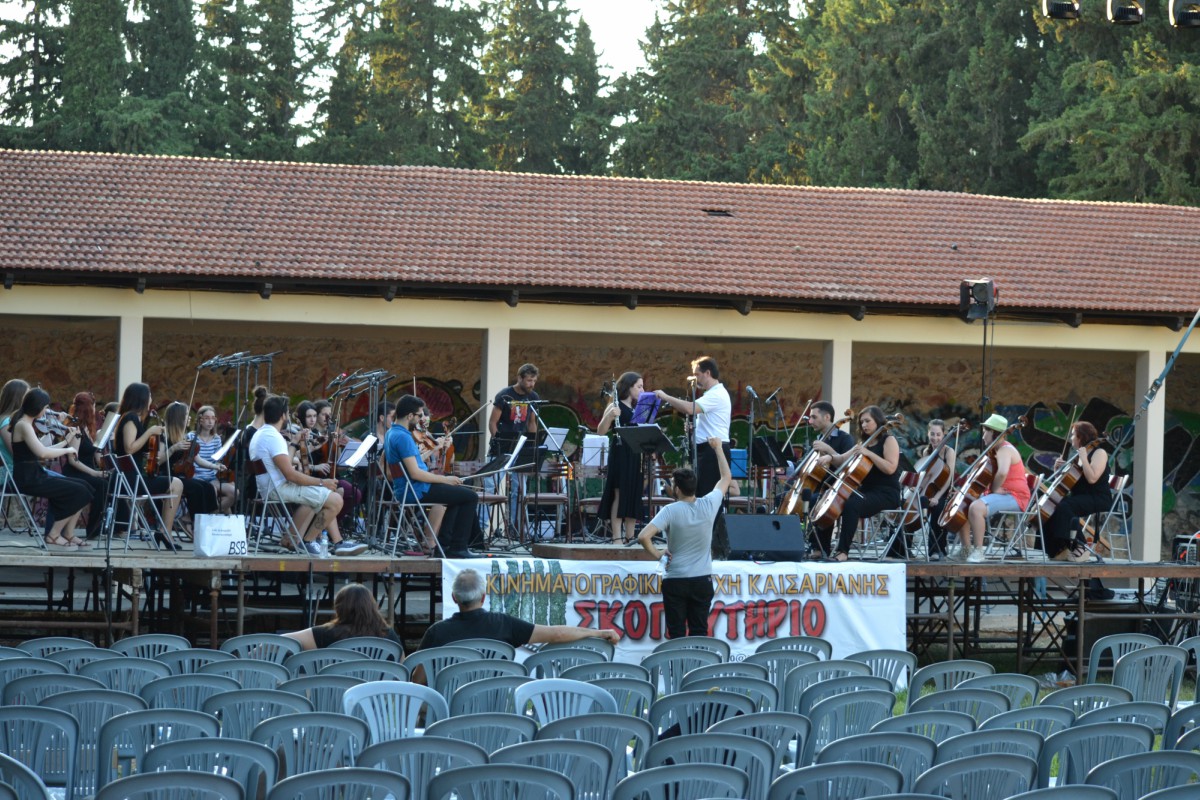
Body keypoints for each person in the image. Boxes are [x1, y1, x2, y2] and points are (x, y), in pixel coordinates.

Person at [248, 394, 367, 556]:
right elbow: (290, 474)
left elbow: (287, 463)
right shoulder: (272, 437)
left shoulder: (263, 433)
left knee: (322, 496)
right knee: (335, 499)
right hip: (278, 488)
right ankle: (308, 541)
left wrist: (295, 442)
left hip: (272, 486)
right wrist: (322, 482)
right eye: (288, 413)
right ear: (283, 415)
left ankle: (324, 541)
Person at [637, 437, 731, 639]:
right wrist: (718, 449)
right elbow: (726, 478)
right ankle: (697, 669)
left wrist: (659, 555)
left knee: (677, 633)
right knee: (699, 631)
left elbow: (643, 536)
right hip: (702, 579)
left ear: (677, 489)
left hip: (676, 579)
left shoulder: (670, 510)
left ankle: (677, 670)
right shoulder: (709, 503)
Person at [419, 567, 620, 650]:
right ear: (483, 596)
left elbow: (418, 679)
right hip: (495, 708)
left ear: (454, 598)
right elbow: (557, 633)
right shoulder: (504, 624)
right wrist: (600, 632)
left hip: (450, 713)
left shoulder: (437, 633)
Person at [654, 357, 732, 555]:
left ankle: (707, 544)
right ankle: (702, 543)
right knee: (702, 495)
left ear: (708, 373)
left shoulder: (716, 394)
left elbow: (689, 408)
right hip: (706, 450)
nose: (695, 379)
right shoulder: (711, 395)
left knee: (708, 496)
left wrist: (665, 396)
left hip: (714, 450)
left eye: (697, 374)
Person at [385, 394, 479, 558]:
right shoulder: (404, 437)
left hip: (408, 488)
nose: (421, 419)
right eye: (419, 415)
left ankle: (444, 546)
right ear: (410, 416)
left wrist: (434, 448)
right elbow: (415, 473)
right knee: (470, 497)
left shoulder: (392, 432)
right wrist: (446, 479)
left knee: (458, 497)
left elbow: (411, 464)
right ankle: (458, 548)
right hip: (416, 489)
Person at [812, 405, 901, 563]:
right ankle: (822, 548)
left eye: (868, 421)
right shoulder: (863, 443)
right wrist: (830, 458)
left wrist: (869, 453)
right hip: (866, 491)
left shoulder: (889, 440)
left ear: (878, 421)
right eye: (862, 422)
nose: (864, 425)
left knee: (852, 503)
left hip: (887, 493)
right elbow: (841, 458)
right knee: (833, 500)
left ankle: (843, 552)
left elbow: (890, 468)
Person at [8, 388, 94, 549]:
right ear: (37, 406)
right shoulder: (23, 425)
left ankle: (69, 534)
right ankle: (53, 535)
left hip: (35, 473)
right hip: (29, 478)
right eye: (45, 407)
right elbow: (42, 453)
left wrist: (67, 441)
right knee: (78, 491)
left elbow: (41, 448)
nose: (47, 411)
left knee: (85, 486)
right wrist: (68, 449)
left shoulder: (26, 423)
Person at [113, 382, 184, 550]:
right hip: (131, 480)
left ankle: (164, 531)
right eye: (149, 394)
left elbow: (138, 448)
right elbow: (129, 448)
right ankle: (164, 531)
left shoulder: (135, 418)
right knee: (177, 484)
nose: (151, 398)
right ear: (142, 398)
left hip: (131, 477)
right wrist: (149, 432)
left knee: (174, 483)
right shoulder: (130, 418)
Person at [957, 413, 1030, 564]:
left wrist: (995, 488)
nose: (983, 436)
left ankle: (979, 552)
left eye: (986, 432)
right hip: (1003, 495)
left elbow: (1002, 472)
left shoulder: (1005, 449)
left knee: (976, 508)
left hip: (1015, 496)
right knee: (963, 504)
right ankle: (966, 549)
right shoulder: (994, 450)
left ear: (994, 433)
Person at [1044, 421, 1111, 562]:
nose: (1071, 438)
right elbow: (1069, 484)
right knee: (1052, 505)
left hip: (1097, 498)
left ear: (1081, 437)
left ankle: (1081, 549)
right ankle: (1058, 550)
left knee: (1064, 506)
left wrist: (1084, 459)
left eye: (1073, 435)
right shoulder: (1079, 456)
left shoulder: (1099, 452)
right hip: (1080, 498)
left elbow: (1092, 478)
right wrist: (1057, 472)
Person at [485, 364, 540, 532]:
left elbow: (531, 423)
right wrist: (498, 442)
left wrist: (533, 445)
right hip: (502, 447)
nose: (532, 384)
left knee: (519, 490)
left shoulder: (533, 396)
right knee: (489, 487)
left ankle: (515, 529)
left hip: (521, 447)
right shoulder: (505, 395)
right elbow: (493, 422)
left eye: (534, 381)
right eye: (529, 380)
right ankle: (481, 528)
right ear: (520, 378)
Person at [598, 371, 646, 544]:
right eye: (639, 386)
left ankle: (630, 537)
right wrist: (610, 416)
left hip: (636, 454)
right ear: (629, 387)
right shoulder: (615, 405)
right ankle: (617, 537)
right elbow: (600, 431)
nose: (642, 389)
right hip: (620, 453)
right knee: (620, 493)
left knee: (634, 494)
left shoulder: (638, 408)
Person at [281, 583, 401, 650]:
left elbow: (277, 642)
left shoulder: (325, 633)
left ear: (339, 607)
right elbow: (402, 669)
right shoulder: (388, 634)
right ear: (373, 607)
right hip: (376, 694)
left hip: (334, 694)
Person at [160, 401, 220, 529]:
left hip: (181, 476)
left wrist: (215, 466)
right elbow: (158, 460)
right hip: (168, 475)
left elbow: (197, 459)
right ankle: (194, 523)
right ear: (179, 417)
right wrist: (173, 449)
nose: (190, 417)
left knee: (208, 487)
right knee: (197, 488)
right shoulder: (164, 436)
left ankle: (204, 524)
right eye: (187, 414)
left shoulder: (185, 436)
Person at [62, 391, 110, 540]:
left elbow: (95, 454)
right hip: (75, 472)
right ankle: (93, 530)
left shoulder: (89, 429)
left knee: (112, 481)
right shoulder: (76, 428)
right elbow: (73, 460)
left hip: (87, 471)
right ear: (90, 408)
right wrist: (95, 473)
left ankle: (109, 527)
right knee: (101, 485)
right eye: (94, 406)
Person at [920, 419, 957, 561]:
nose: (935, 438)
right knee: (911, 504)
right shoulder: (926, 451)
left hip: (945, 491)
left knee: (938, 508)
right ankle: (903, 548)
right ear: (928, 433)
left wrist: (938, 496)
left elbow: (949, 479)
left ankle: (936, 549)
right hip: (930, 490)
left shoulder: (949, 452)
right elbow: (925, 476)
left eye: (938, 434)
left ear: (944, 435)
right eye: (932, 434)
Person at [190, 405, 236, 513]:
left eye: (213, 418)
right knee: (212, 491)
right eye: (207, 418)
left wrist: (228, 450)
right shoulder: (192, 437)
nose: (210, 421)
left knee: (234, 492)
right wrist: (215, 466)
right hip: (196, 476)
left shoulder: (216, 438)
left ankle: (210, 514)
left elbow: (218, 459)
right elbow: (197, 459)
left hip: (212, 477)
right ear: (200, 420)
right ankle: (210, 516)